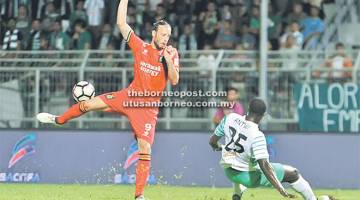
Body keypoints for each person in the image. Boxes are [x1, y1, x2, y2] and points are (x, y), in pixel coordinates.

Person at [36, 0, 180, 199]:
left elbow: (174, 79)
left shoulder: (172, 53)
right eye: (163, 35)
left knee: (144, 147)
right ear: (154, 34)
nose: (166, 39)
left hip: (147, 109)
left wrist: (168, 61)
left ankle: (139, 196)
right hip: (128, 97)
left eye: (168, 36)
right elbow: (121, 23)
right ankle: (59, 120)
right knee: (87, 104)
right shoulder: (141, 47)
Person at [209, 98, 333, 200]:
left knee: (240, 161)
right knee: (293, 173)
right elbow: (265, 166)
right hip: (248, 176)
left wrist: (219, 147)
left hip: (229, 172)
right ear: (263, 115)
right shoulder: (257, 135)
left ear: (248, 109)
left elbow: (212, 142)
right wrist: (280, 188)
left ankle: (237, 195)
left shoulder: (230, 118)